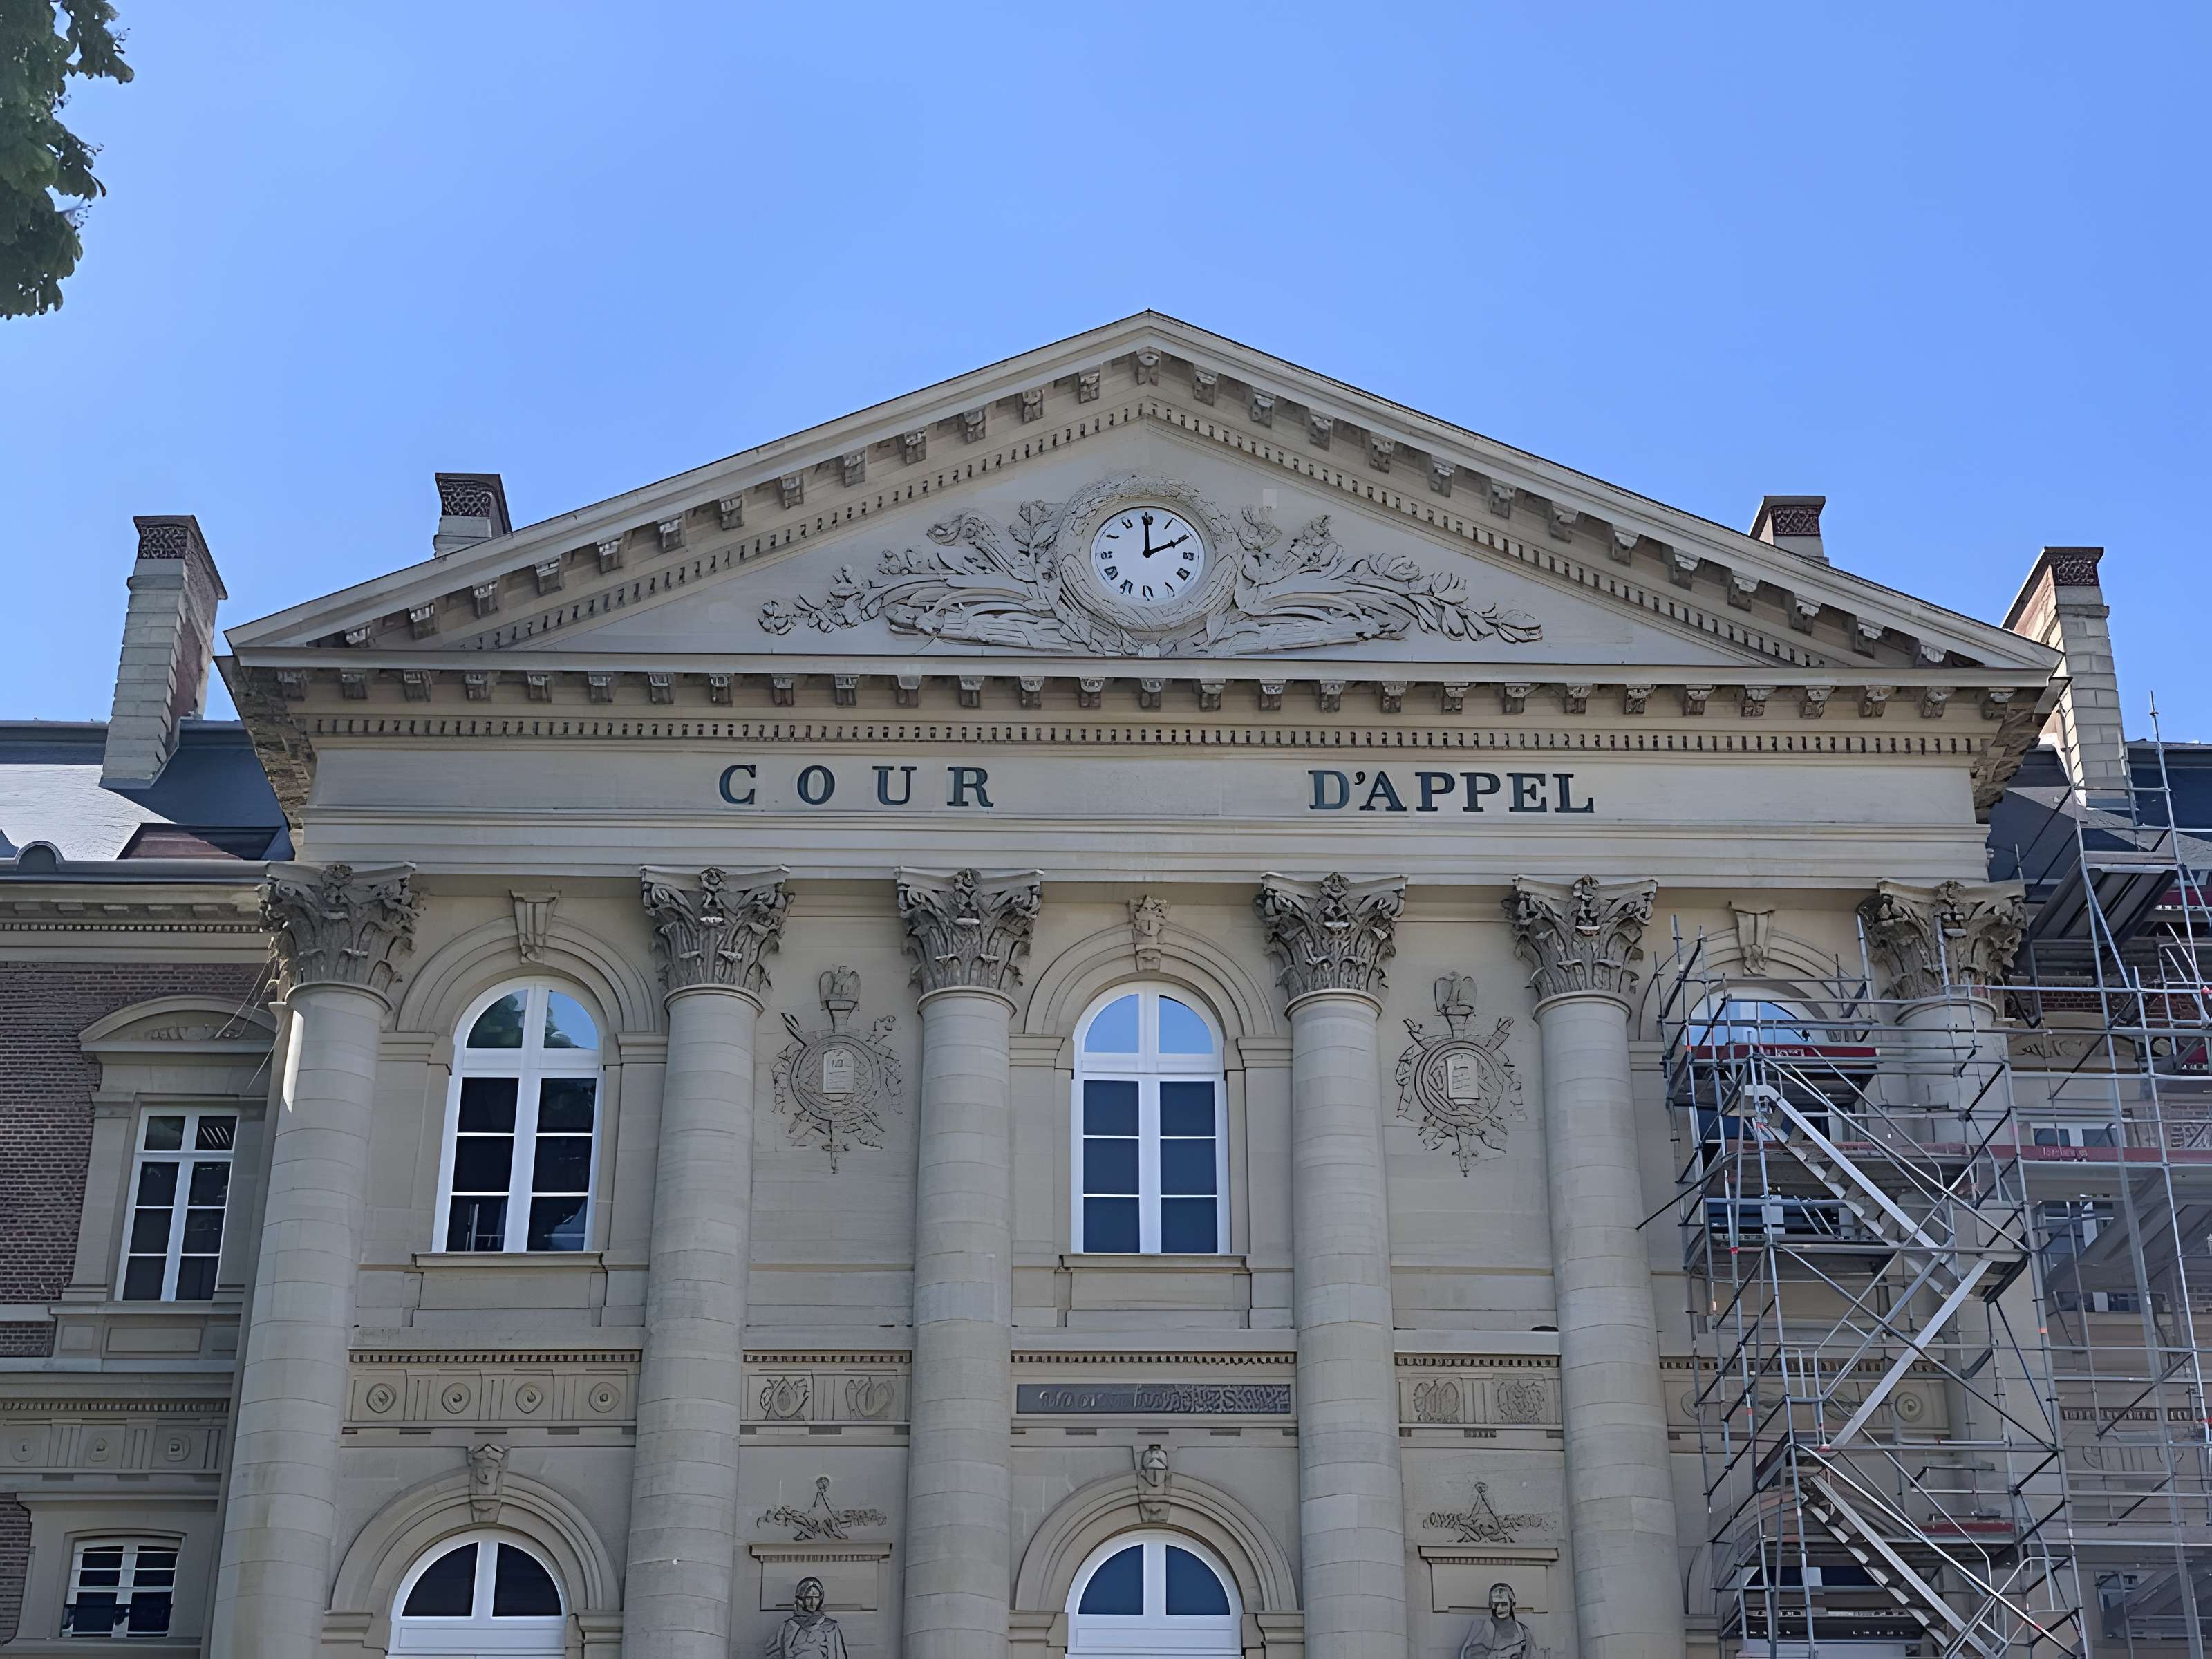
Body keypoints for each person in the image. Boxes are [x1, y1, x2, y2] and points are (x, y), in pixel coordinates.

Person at [767, 1576, 849, 1659]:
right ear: (800, 1600)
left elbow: (839, 1656)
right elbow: (776, 1654)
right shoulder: (787, 1627)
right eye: (809, 1598)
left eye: (816, 1598)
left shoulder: (831, 1627)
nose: (813, 1602)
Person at [1458, 1581, 1534, 1659]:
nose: (1500, 1608)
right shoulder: (1480, 1628)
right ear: (1490, 1605)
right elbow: (1466, 1655)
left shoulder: (1524, 1632)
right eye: (1496, 1604)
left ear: (1513, 1604)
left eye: (1504, 1604)